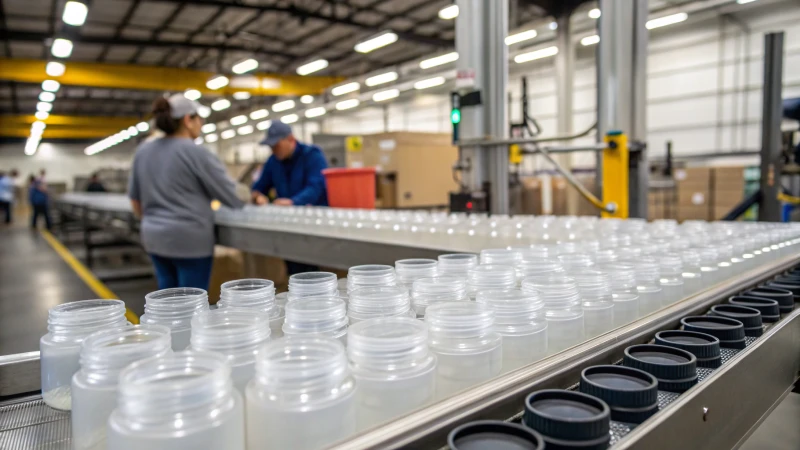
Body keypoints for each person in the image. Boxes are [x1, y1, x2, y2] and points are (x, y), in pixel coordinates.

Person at [128, 94, 244, 291]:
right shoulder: (196, 152)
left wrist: (154, 222)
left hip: (154, 238)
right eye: (199, 119)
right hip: (190, 241)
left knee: (167, 298)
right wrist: (253, 196)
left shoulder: (143, 151)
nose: (201, 124)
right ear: (187, 120)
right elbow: (232, 196)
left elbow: (135, 201)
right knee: (191, 303)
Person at [251, 121, 328, 275]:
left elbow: (317, 186)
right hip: (288, 226)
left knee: (311, 272)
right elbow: (259, 187)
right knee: (294, 270)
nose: (274, 150)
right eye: (271, 147)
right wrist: (258, 196)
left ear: (291, 139)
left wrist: (294, 202)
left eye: (276, 145)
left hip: (313, 225)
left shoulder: (312, 155)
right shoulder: (273, 162)